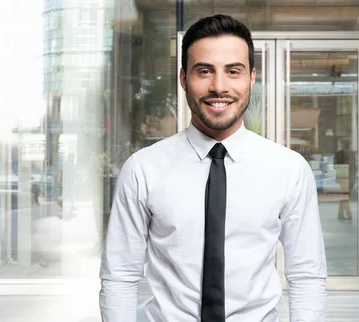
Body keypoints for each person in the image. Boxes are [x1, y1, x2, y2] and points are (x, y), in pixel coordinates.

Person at [99, 14, 327, 322]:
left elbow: (307, 276)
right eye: (204, 71)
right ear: (183, 78)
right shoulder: (143, 169)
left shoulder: (288, 170)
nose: (218, 86)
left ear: (252, 77)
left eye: (233, 71)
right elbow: (120, 275)